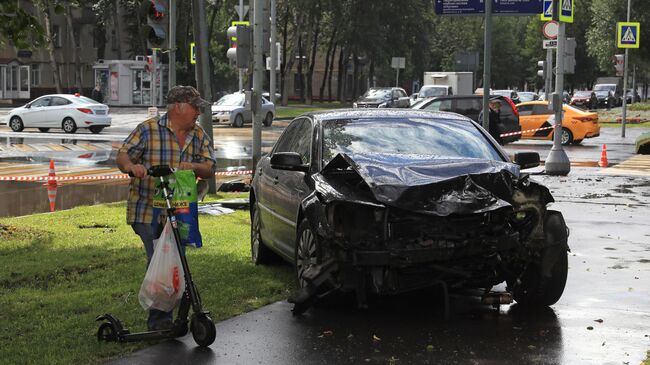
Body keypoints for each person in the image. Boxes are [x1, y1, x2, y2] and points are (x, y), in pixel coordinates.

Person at [116, 85, 216, 331]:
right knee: (159, 261)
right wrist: (132, 167)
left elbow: (210, 167)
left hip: (179, 210)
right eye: (195, 108)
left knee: (177, 263)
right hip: (148, 209)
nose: (198, 113)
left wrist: (192, 167)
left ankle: (176, 317)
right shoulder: (149, 130)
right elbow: (123, 156)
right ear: (179, 107)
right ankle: (160, 322)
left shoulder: (199, 134)